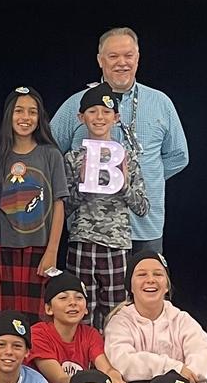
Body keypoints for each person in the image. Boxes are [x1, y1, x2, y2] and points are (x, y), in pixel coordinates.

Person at [50, 28, 189, 257]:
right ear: (100, 60)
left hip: (144, 225)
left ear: (138, 58)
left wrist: (136, 179)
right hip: (90, 229)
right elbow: (49, 153)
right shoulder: (76, 104)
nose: (121, 62)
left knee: (146, 280)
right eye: (113, 56)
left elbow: (178, 156)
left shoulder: (161, 103)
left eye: (128, 55)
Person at [61, 87, 149, 328]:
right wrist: (81, 185)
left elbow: (142, 208)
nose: (99, 117)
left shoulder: (128, 157)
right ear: (81, 117)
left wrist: (124, 185)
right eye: (92, 111)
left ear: (116, 118)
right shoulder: (72, 158)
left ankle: (113, 351)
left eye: (106, 111)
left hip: (117, 245)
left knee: (116, 312)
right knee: (80, 310)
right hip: (81, 242)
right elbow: (63, 208)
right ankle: (84, 352)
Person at [104, 250, 207, 383]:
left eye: (158, 274)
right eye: (142, 274)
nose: (150, 279)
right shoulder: (120, 322)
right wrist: (173, 368)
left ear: (167, 286)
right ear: (130, 287)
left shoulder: (181, 319)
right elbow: (123, 362)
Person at [0, 87, 68, 316]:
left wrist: (52, 251)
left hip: (41, 249)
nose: (25, 117)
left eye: (32, 112)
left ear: (39, 118)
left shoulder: (51, 155)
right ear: (9, 115)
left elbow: (59, 204)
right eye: (19, 111)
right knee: (8, 319)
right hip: (4, 249)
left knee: (40, 317)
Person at [30, 270, 123, 383]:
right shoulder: (38, 333)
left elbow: (105, 368)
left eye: (79, 297)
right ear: (49, 309)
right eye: (63, 298)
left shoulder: (90, 334)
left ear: (85, 308)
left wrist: (114, 377)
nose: (72, 302)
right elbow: (60, 381)